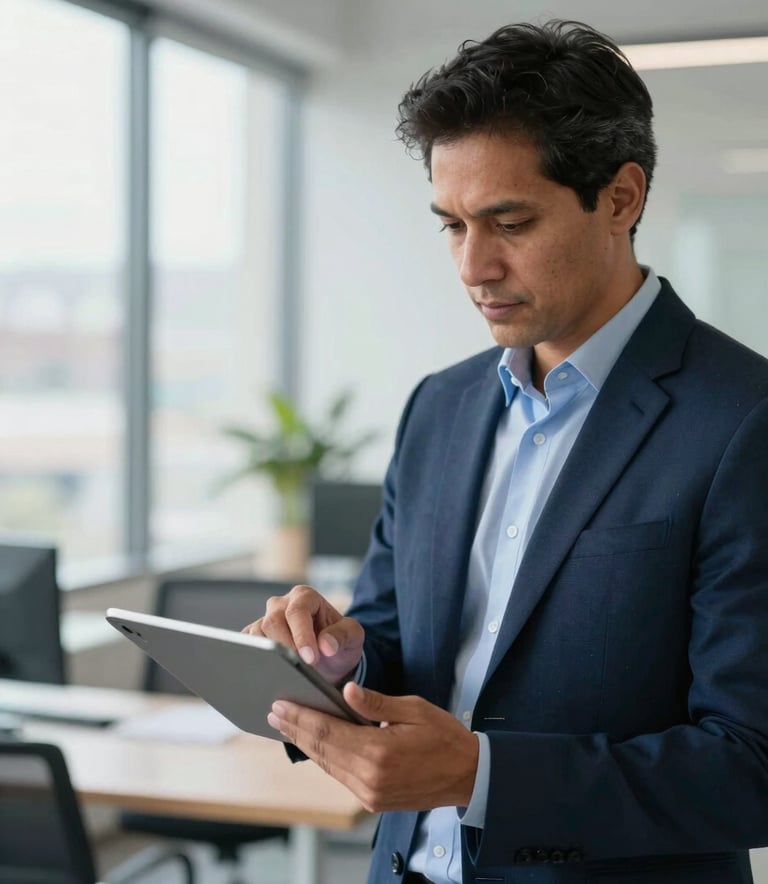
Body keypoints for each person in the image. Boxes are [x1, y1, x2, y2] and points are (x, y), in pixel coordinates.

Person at [246, 19, 768, 884]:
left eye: (509, 221)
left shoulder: (743, 421)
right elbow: (399, 640)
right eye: (451, 225)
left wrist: (482, 777)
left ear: (620, 198)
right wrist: (341, 657)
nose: (472, 266)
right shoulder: (440, 407)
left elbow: (752, 763)